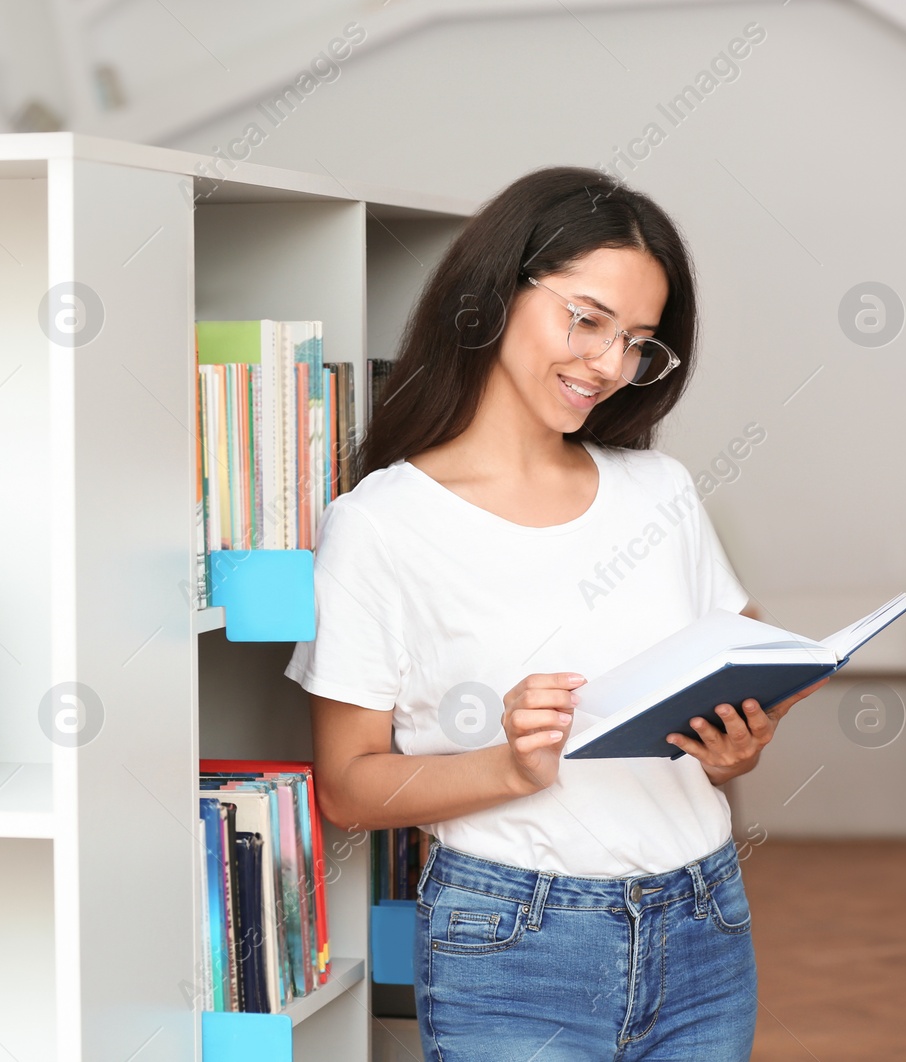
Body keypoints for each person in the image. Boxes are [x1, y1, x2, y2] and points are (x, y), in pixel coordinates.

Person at [284, 166, 826, 1061]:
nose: (609, 366)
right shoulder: (382, 523)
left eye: (639, 342)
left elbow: (734, 666)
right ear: (499, 292)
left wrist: (735, 750)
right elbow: (347, 786)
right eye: (587, 319)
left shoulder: (661, 491)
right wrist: (510, 764)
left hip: (704, 921)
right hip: (512, 941)